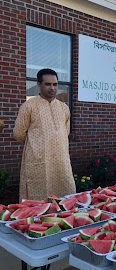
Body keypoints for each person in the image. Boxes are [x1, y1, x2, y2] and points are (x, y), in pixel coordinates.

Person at [13, 68, 76, 201]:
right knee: (38, 198)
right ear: (39, 85)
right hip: (38, 159)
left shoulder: (64, 108)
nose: (52, 88)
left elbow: (66, 132)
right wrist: (37, 143)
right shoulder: (28, 106)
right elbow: (19, 133)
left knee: (65, 194)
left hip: (61, 159)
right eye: (48, 84)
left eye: (55, 84)